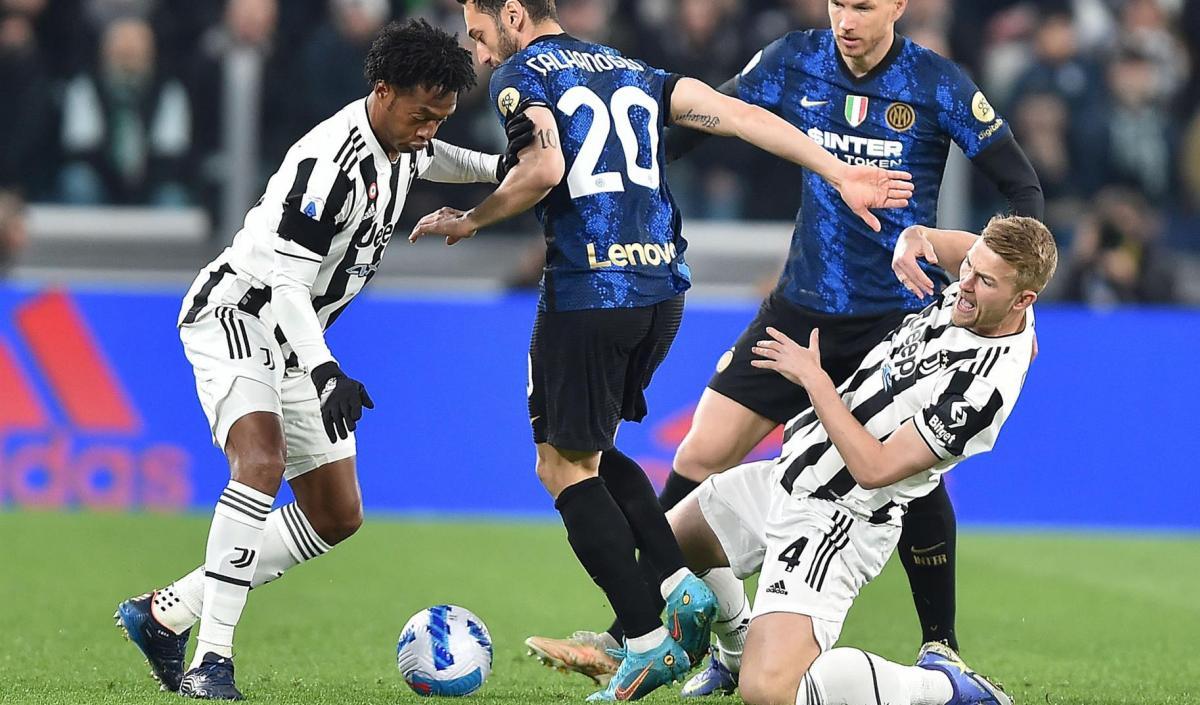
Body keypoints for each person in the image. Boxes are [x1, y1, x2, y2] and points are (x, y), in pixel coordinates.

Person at [524, 0, 1046, 691]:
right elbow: (705, 116)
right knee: (700, 453)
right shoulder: (795, 59)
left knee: (912, 472)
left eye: (863, 6)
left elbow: (1021, 184)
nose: (846, 19)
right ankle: (651, 629)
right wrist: (626, 171)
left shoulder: (937, 83)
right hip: (802, 304)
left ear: (898, 6)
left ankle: (940, 648)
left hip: (894, 315)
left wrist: (1012, 295)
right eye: (837, 3)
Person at [411, 0, 915, 699]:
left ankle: (648, 640)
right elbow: (737, 115)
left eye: (478, 34)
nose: (481, 53)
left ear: (515, 15)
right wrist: (838, 172)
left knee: (560, 467)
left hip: (591, 286)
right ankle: (681, 584)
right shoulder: (629, 68)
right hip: (662, 290)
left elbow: (544, 168)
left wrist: (472, 218)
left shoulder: (523, 73)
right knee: (593, 448)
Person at [112, 19, 534, 700]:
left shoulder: (404, 140)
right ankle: (210, 661)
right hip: (238, 316)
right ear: (382, 89)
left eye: (442, 117)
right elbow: (283, 285)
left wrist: (499, 170)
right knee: (261, 462)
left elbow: (437, 159)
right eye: (422, 115)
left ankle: (165, 613)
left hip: (296, 335)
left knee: (335, 513)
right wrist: (325, 369)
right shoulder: (329, 167)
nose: (428, 130)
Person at [669, 214, 1056, 705]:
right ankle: (738, 648)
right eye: (970, 267)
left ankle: (940, 686)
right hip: (793, 472)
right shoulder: (988, 292)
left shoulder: (979, 392)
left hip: (840, 517)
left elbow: (873, 468)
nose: (965, 285)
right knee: (671, 543)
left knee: (768, 693)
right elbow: (958, 251)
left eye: (984, 281)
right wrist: (919, 239)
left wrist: (815, 381)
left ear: (1024, 300)